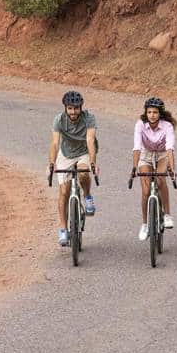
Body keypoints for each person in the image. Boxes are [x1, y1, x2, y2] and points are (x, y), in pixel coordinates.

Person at [49, 90, 98, 247]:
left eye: (76, 108)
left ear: (81, 108)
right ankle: (63, 228)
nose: (73, 112)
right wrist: (51, 163)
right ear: (65, 108)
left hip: (84, 151)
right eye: (70, 108)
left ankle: (88, 196)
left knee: (83, 173)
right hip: (66, 154)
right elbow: (55, 143)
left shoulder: (89, 118)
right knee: (64, 191)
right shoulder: (59, 120)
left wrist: (93, 162)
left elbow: (90, 139)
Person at [132, 96, 177, 241]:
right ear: (146, 113)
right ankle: (145, 224)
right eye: (149, 112)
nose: (152, 115)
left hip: (162, 155)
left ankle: (167, 214)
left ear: (160, 114)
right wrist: (134, 167)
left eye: (155, 112)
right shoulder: (140, 124)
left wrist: (172, 168)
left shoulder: (167, 126)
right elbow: (137, 147)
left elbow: (170, 148)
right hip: (145, 155)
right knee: (145, 191)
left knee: (160, 178)